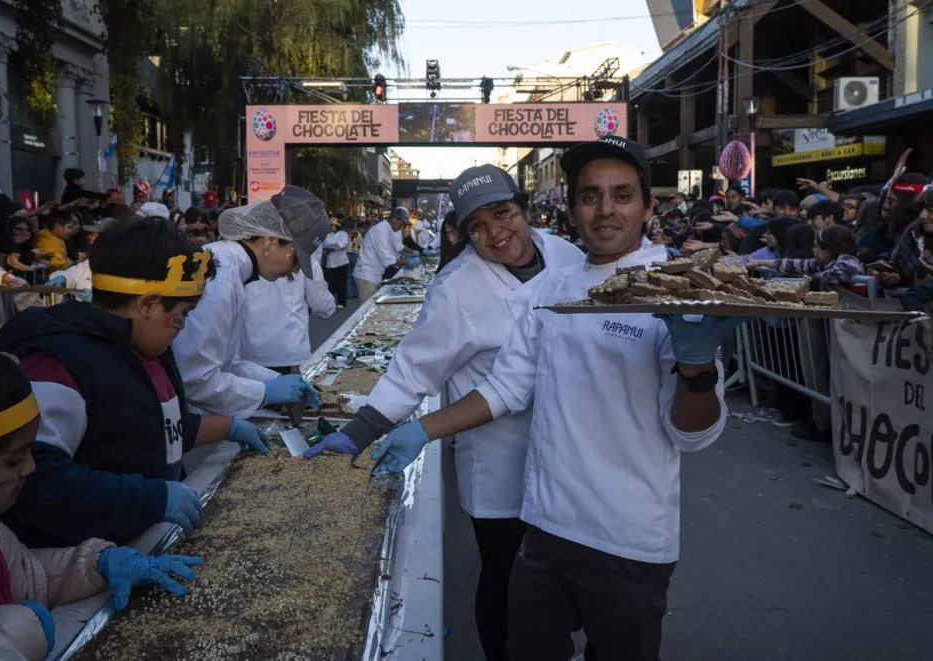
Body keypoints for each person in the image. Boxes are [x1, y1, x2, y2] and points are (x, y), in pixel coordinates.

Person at [360, 138, 743, 661]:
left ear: (649, 206)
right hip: (544, 530)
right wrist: (420, 430)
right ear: (571, 205)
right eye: (590, 196)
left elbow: (692, 434)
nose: (605, 209)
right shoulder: (554, 286)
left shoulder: (674, 291)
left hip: (625, 538)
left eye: (623, 195)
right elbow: (507, 385)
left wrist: (696, 368)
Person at [305, 165, 584, 661]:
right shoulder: (456, 288)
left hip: (575, 449)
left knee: (565, 573)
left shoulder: (567, 254)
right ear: (463, 231)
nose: (495, 233)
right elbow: (415, 370)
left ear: (523, 209)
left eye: (503, 214)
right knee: (504, 574)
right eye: (477, 225)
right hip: (500, 457)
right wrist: (360, 432)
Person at [0, 217, 269, 548]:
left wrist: (227, 427)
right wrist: (148, 499)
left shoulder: (147, 348)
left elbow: (147, 428)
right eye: (182, 314)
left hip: (144, 538)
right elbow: (37, 477)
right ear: (148, 304)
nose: (182, 326)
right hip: (82, 562)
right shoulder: (57, 364)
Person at [0, 345, 202, 660]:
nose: (31, 467)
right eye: (13, 461)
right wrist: (15, 637)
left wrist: (97, 564)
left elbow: (28, 576)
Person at [172, 187, 327, 419]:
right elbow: (196, 378)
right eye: (294, 258)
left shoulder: (234, 270)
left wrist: (276, 380)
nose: (294, 269)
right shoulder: (222, 279)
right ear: (269, 242)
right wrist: (264, 392)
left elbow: (227, 362)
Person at [241, 246, 336, 371]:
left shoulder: (243, 258)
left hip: (246, 355)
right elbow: (323, 306)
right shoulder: (303, 260)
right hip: (290, 355)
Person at [745, 224, 863, 290]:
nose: (813, 250)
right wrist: (759, 262)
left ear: (827, 250)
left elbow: (830, 276)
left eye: (816, 246)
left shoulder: (848, 262)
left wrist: (812, 280)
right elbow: (793, 265)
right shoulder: (824, 262)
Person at [351, 207, 418, 300]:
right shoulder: (381, 230)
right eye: (401, 223)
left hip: (373, 273)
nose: (401, 227)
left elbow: (397, 247)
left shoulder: (388, 229)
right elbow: (388, 260)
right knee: (367, 308)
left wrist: (409, 256)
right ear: (394, 218)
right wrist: (408, 262)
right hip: (367, 274)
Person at [45, 218, 115, 300]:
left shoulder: (122, 263)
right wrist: (63, 277)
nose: (89, 238)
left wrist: (98, 299)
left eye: (94, 235)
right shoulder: (94, 259)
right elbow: (75, 273)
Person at [322, 218, 351, 308]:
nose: (330, 227)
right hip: (329, 263)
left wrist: (331, 247)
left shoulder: (343, 234)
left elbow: (341, 245)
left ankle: (341, 302)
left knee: (341, 283)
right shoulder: (328, 235)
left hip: (341, 263)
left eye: (332, 225)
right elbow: (324, 245)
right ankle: (331, 302)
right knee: (330, 284)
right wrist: (332, 246)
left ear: (337, 226)